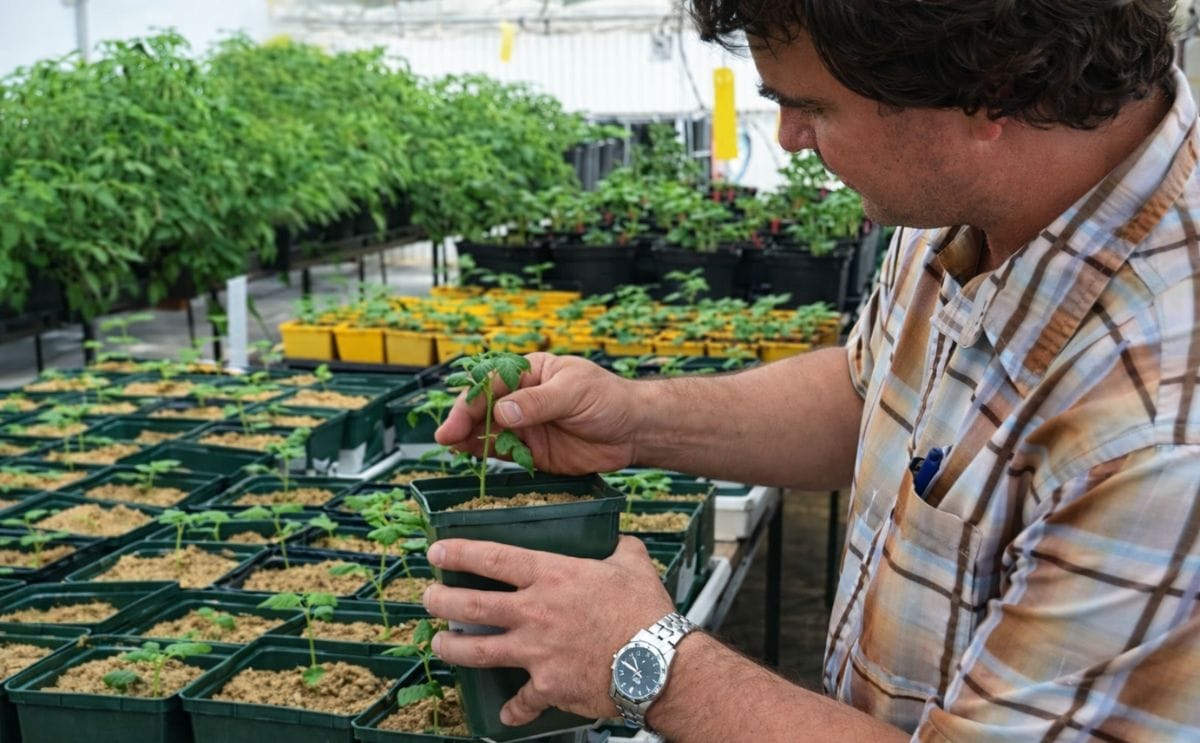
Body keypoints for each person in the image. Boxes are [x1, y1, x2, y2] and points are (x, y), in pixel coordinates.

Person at [424, 1, 1200, 739]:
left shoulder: (1160, 425)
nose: (791, 136)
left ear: (989, 90)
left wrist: (649, 660)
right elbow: (869, 393)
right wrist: (635, 419)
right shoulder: (975, 194)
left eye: (816, 107)